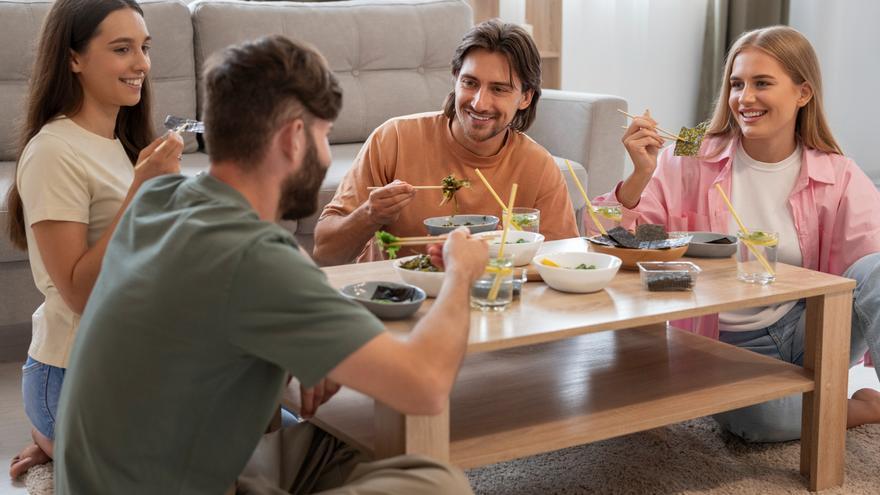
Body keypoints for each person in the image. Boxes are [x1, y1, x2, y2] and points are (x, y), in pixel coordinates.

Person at [54, 35, 486, 494]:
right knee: (437, 484)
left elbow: (259, 266)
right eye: (323, 135)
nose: (325, 154)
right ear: (293, 138)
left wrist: (302, 335)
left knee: (352, 436)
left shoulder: (159, 197)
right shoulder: (251, 259)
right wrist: (461, 271)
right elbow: (426, 385)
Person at [599, 25, 880, 442]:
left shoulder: (836, 170)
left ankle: (824, 390)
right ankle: (860, 406)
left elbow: (868, 272)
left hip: (810, 329)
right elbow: (622, 242)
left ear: (803, 93)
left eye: (761, 83)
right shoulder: (690, 150)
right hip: (724, 342)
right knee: (758, 422)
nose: (744, 98)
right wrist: (641, 175)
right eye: (736, 84)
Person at [5, 0, 182, 479]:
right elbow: (80, 292)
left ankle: (64, 440)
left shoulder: (119, 145)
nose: (141, 63)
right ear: (73, 58)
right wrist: (143, 191)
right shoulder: (53, 152)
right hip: (75, 374)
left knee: (282, 431)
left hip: (134, 363)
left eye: (144, 48)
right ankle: (59, 434)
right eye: (122, 49)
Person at [313, 20, 578, 265]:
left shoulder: (539, 167)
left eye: (499, 89)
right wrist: (369, 214)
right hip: (393, 300)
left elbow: (561, 263)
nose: (479, 103)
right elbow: (325, 253)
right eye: (470, 83)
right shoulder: (393, 139)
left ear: (525, 98)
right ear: (455, 78)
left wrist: (509, 250)